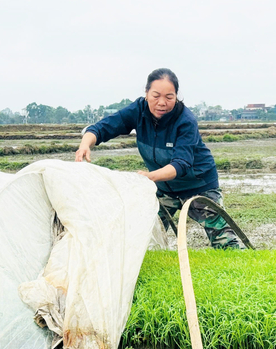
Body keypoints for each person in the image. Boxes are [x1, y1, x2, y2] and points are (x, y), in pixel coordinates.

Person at [75, 68, 243, 249]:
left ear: (176, 96)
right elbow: (103, 127)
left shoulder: (185, 120)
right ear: (146, 93)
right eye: (156, 96)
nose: (162, 103)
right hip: (163, 187)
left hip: (198, 184)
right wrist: (86, 143)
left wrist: (150, 177)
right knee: (143, 236)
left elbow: (181, 164)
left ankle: (242, 268)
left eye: (169, 97)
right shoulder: (138, 110)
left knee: (225, 241)